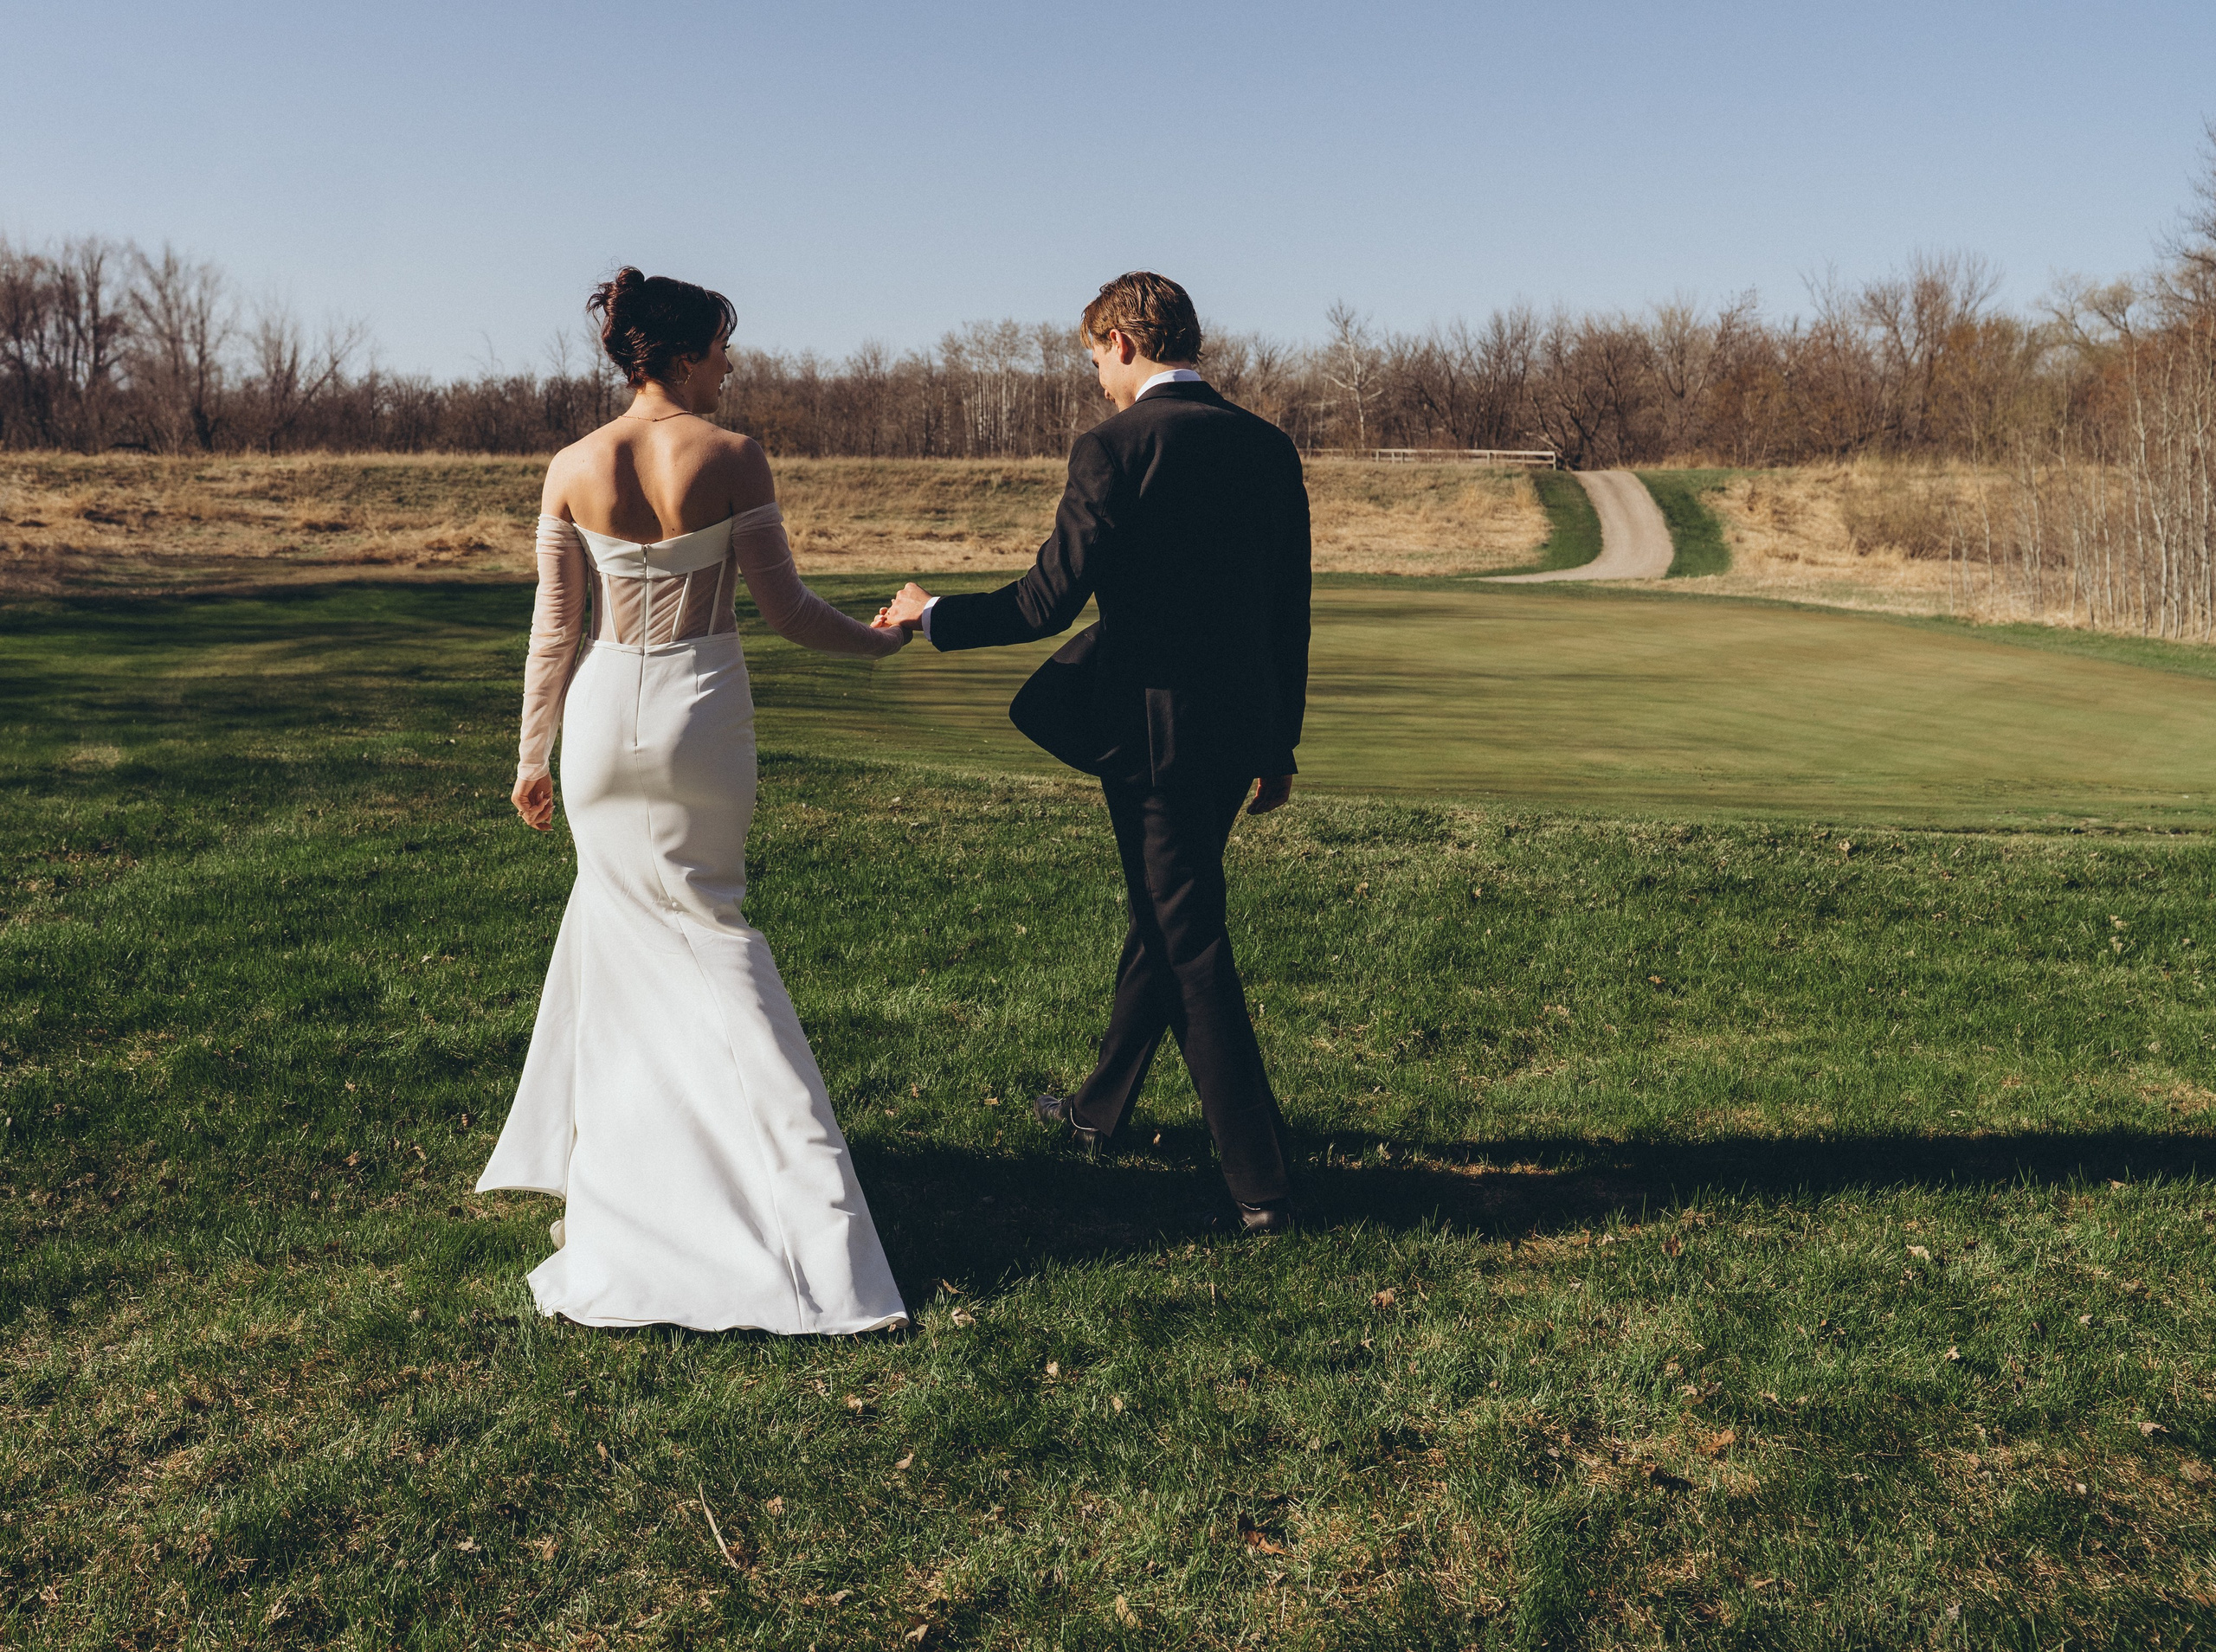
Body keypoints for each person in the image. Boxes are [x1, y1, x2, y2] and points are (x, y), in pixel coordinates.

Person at [477, 268, 910, 1333]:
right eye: (720, 348)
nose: (729, 365)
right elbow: (790, 609)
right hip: (698, 711)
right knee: (717, 938)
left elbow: (553, 629)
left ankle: (627, 1198)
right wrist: (886, 640)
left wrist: (533, 755)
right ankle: (808, 1218)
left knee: (622, 937)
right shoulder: (730, 457)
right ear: (676, 355)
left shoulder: (573, 465)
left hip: (598, 723)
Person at [876, 271, 1311, 1232]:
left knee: (1188, 939)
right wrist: (1278, 742)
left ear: (1120, 340)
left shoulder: (1115, 447)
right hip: (1236, 731)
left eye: (1093, 360)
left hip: (1151, 739)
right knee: (1167, 911)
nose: (1096, 381)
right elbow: (1289, 610)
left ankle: (1260, 1182)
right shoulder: (1267, 446)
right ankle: (1099, 1108)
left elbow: (1045, 603)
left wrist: (929, 615)